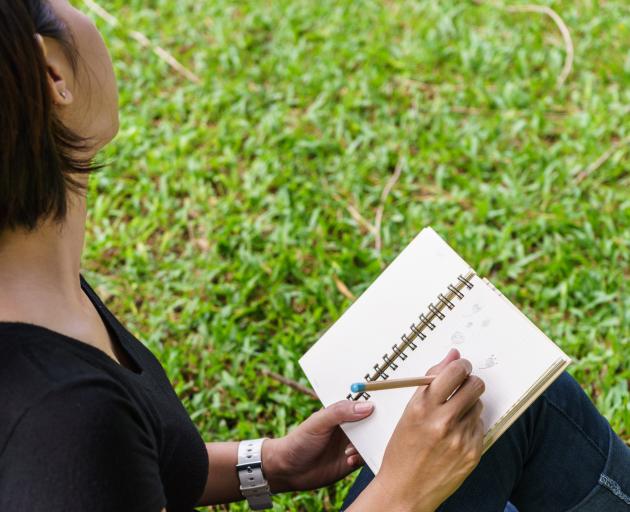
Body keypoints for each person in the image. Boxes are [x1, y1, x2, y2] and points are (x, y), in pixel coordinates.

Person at [0, 1, 628, 511]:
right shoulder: (63, 422)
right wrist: (403, 492)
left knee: (507, 402)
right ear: (51, 69)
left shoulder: (32, 286)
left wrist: (268, 464)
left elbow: (136, 470)